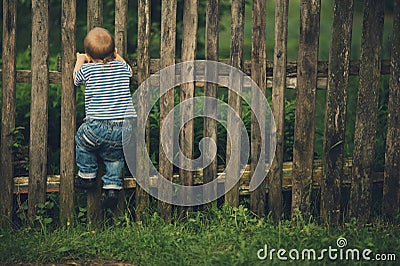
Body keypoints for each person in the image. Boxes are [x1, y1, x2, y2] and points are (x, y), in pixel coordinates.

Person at [73, 27, 135, 208]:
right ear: (115, 53)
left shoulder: (89, 70)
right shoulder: (122, 68)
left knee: (82, 142)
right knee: (115, 157)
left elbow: (76, 78)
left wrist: (80, 60)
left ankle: (87, 175)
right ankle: (112, 187)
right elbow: (129, 70)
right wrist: (117, 56)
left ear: (89, 57)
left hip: (96, 127)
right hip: (123, 129)